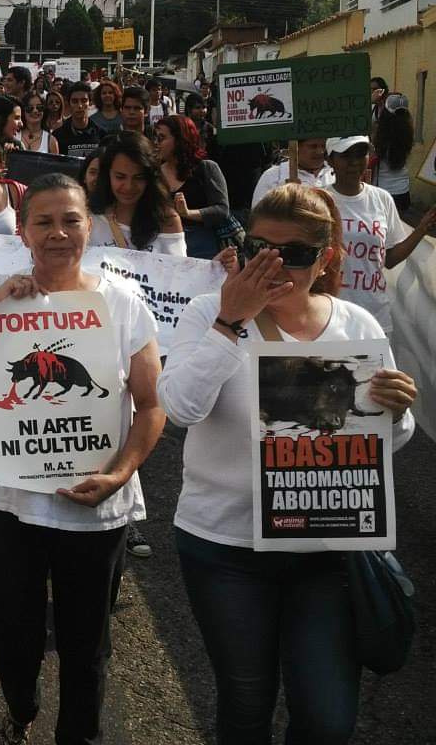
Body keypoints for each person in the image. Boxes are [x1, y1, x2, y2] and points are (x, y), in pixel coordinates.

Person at [157, 183, 417, 745]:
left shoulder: (356, 326)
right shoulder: (209, 313)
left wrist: (395, 412)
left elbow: (383, 440)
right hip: (225, 546)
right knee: (246, 703)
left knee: (326, 719)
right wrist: (230, 323)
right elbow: (179, 408)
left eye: (294, 254)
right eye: (259, 248)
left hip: (325, 550)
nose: (273, 265)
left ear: (325, 258)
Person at [0, 173, 164, 745]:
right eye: (44, 222)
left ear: (89, 227)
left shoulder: (121, 304)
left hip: (92, 504)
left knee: (86, 645)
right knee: (9, 635)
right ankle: (21, 705)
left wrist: (120, 475)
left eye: (70, 220)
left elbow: (152, 407)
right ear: (24, 232)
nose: (58, 233)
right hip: (7, 501)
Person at [325, 135, 436, 335]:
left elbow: (390, 259)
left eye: (361, 154)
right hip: (329, 318)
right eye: (345, 155)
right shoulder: (319, 201)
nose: (354, 162)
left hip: (375, 317)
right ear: (330, 160)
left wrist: (422, 228)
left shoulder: (382, 199)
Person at [88, 132, 186, 255]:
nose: (129, 187)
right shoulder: (86, 216)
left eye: (138, 177)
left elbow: (180, 271)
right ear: (107, 175)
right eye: (120, 177)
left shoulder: (166, 220)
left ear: (150, 178)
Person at [155, 115, 230, 260]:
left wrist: (188, 213)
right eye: (156, 138)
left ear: (179, 140)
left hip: (203, 248)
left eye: (161, 138)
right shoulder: (154, 173)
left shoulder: (206, 168)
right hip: (164, 247)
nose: (156, 143)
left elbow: (221, 209)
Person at [250, 138, 334, 209]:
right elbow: (259, 214)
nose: (320, 151)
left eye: (323, 146)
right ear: (296, 147)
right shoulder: (273, 176)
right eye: (313, 146)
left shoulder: (336, 172)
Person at [372, 93, 414, 210]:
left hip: (382, 190)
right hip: (402, 190)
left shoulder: (378, 132)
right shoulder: (408, 131)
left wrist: (372, 100)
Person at [55, 82, 103, 159]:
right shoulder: (58, 136)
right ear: (68, 103)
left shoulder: (101, 134)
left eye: (84, 100)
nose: (80, 106)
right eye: (75, 101)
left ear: (90, 102)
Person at [183, 93, 217, 157]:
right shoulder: (182, 128)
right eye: (198, 107)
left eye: (204, 107)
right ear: (189, 110)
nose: (202, 111)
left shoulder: (209, 128)